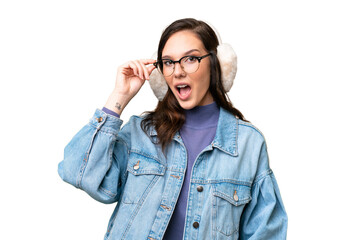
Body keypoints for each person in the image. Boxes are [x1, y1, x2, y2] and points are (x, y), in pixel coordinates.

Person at [58, 18, 288, 240]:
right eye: (168, 62)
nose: (177, 71)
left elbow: (266, 232)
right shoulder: (141, 133)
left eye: (190, 59)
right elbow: (78, 173)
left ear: (217, 64)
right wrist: (119, 97)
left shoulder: (248, 144)